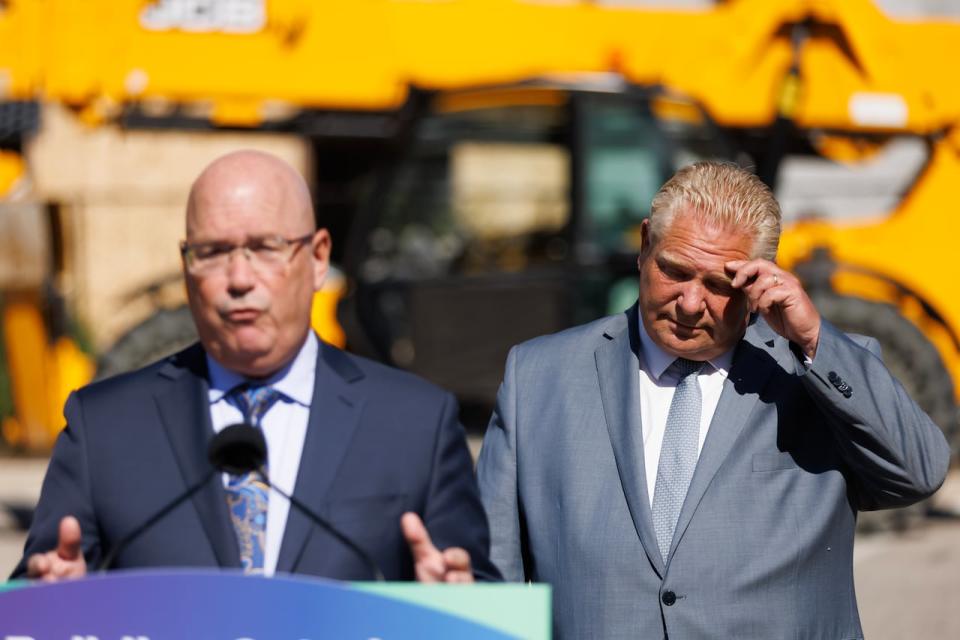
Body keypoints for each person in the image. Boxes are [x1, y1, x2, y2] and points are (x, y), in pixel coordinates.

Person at [476, 161, 950, 638]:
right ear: (644, 246)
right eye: (674, 271)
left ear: (759, 280)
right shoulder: (539, 376)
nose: (688, 302)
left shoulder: (812, 371)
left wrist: (812, 340)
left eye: (719, 285)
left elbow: (919, 472)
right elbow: (492, 577)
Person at [13, 150, 496, 583]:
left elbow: (480, 599)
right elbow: (36, 592)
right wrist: (50, 602)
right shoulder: (104, 427)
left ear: (317, 258)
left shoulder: (414, 424)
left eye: (265, 248)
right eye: (213, 252)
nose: (239, 279)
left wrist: (458, 603)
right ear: (186, 268)